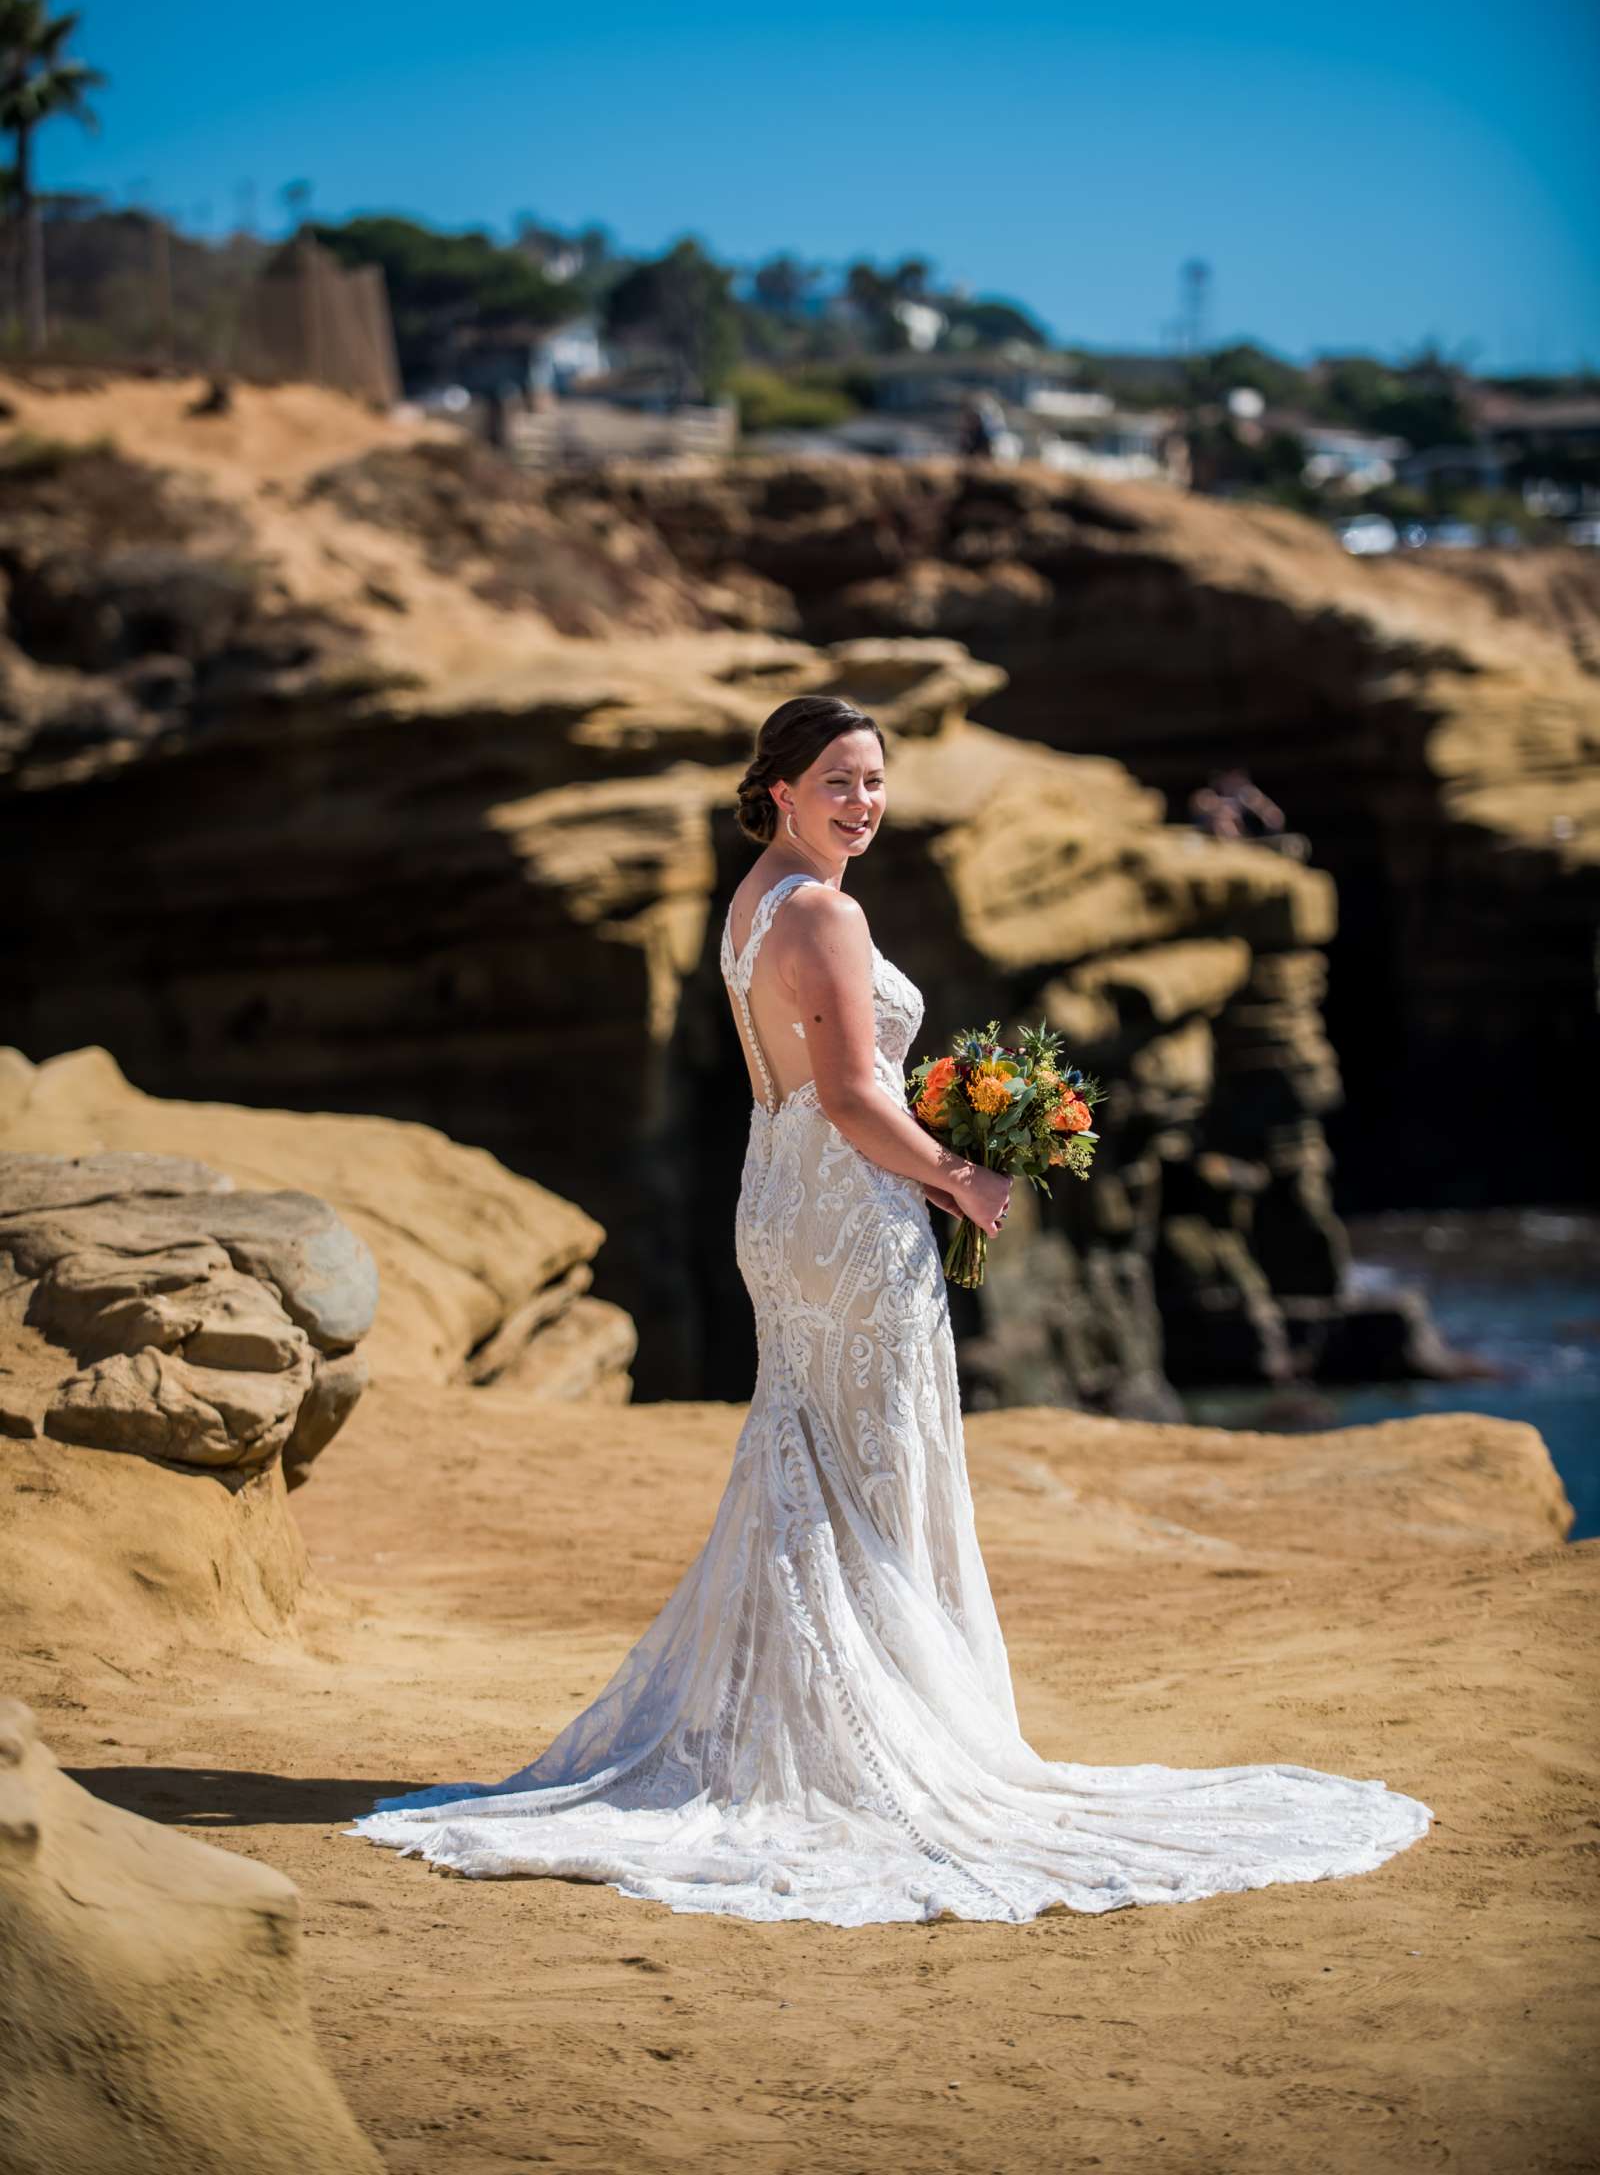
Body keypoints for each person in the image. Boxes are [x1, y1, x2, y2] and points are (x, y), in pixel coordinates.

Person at [351, 696, 1431, 1924]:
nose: (862, 803)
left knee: (811, 1458)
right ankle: (864, 1740)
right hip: (847, 1218)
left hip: (782, 1202)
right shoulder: (823, 910)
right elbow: (858, 1099)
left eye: (874, 781)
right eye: (838, 782)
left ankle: (798, 1717)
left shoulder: (754, 899)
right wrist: (963, 1173)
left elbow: (813, 1084)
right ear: (779, 789)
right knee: (873, 1467)